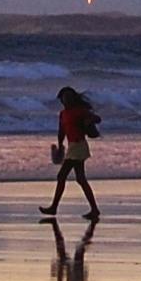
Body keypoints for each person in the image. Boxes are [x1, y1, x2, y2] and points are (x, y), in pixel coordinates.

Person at [40, 85, 101, 220]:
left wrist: (89, 120)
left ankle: (54, 207)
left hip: (79, 146)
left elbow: (97, 118)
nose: (66, 100)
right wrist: (60, 144)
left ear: (73, 98)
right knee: (80, 179)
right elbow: (61, 131)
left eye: (69, 97)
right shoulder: (63, 114)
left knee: (62, 176)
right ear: (61, 99)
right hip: (72, 147)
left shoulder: (79, 110)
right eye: (64, 98)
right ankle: (94, 209)